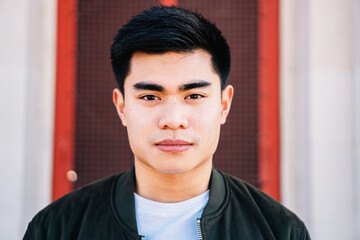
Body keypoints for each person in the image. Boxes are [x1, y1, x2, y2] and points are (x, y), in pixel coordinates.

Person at [24, 5, 310, 240]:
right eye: (150, 97)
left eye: (194, 95)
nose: (173, 120)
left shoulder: (279, 230)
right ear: (122, 106)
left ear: (224, 104)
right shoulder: (58, 228)